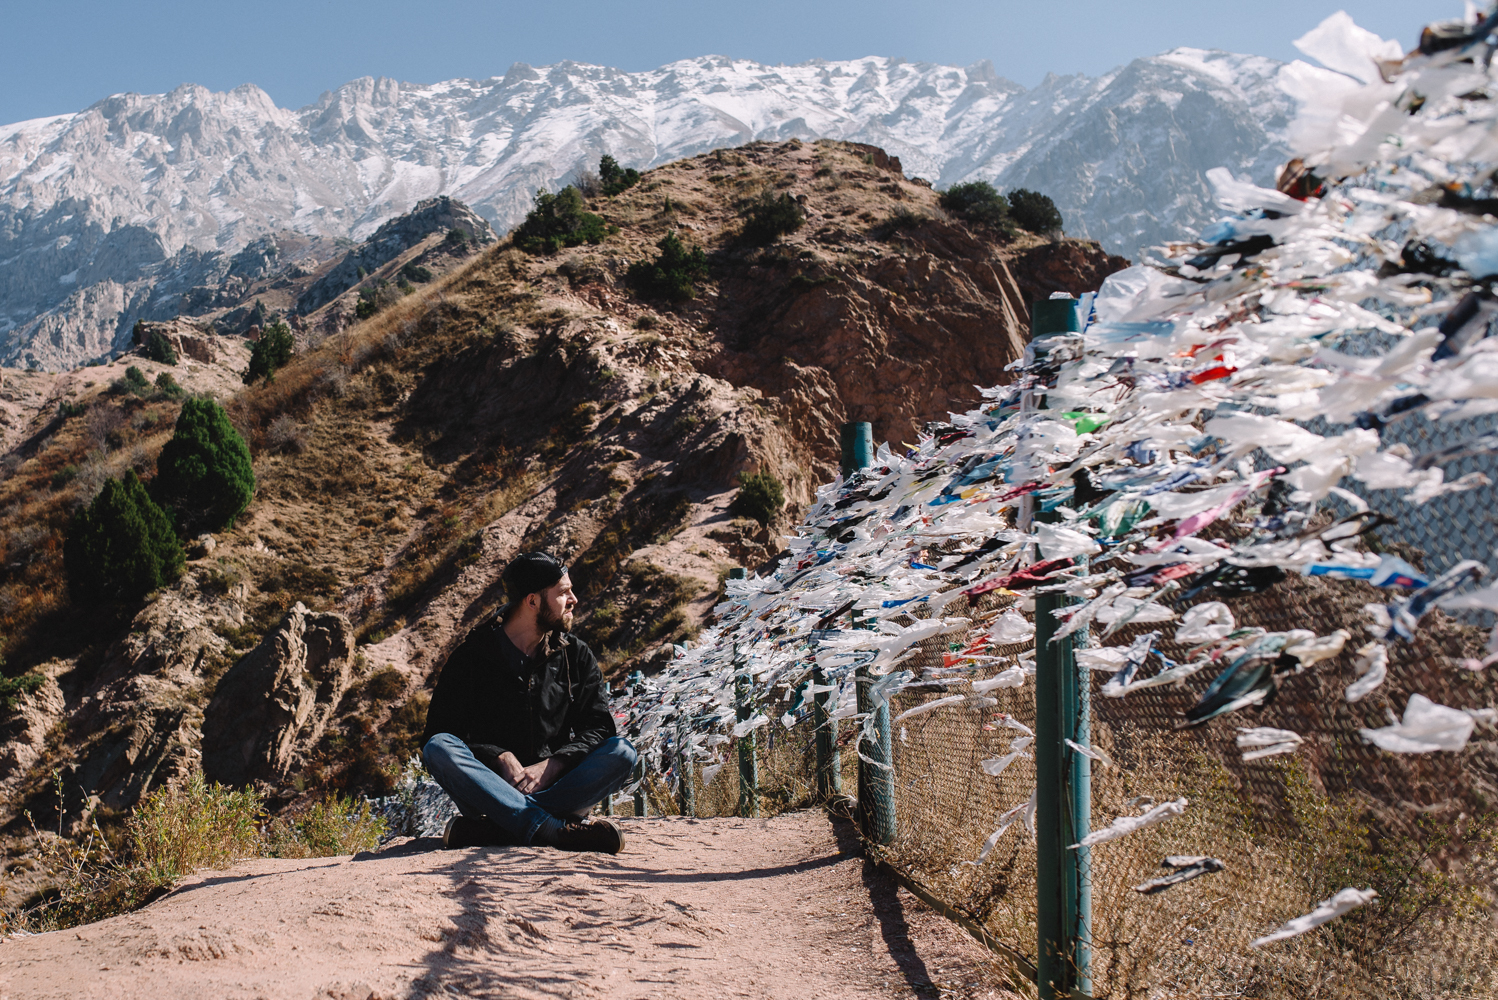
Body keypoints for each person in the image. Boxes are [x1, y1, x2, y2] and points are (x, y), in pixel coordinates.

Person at [422, 552, 637, 852]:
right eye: (563, 593)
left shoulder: (575, 655)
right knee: (438, 748)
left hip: (558, 786)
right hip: (493, 788)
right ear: (533, 601)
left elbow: (599, 728)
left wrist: (552, 765)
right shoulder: (472, 657)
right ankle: (553, 828)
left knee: (622, 753)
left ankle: (502, 826)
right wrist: (497, 756)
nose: (574, 599)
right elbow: (439, 732)